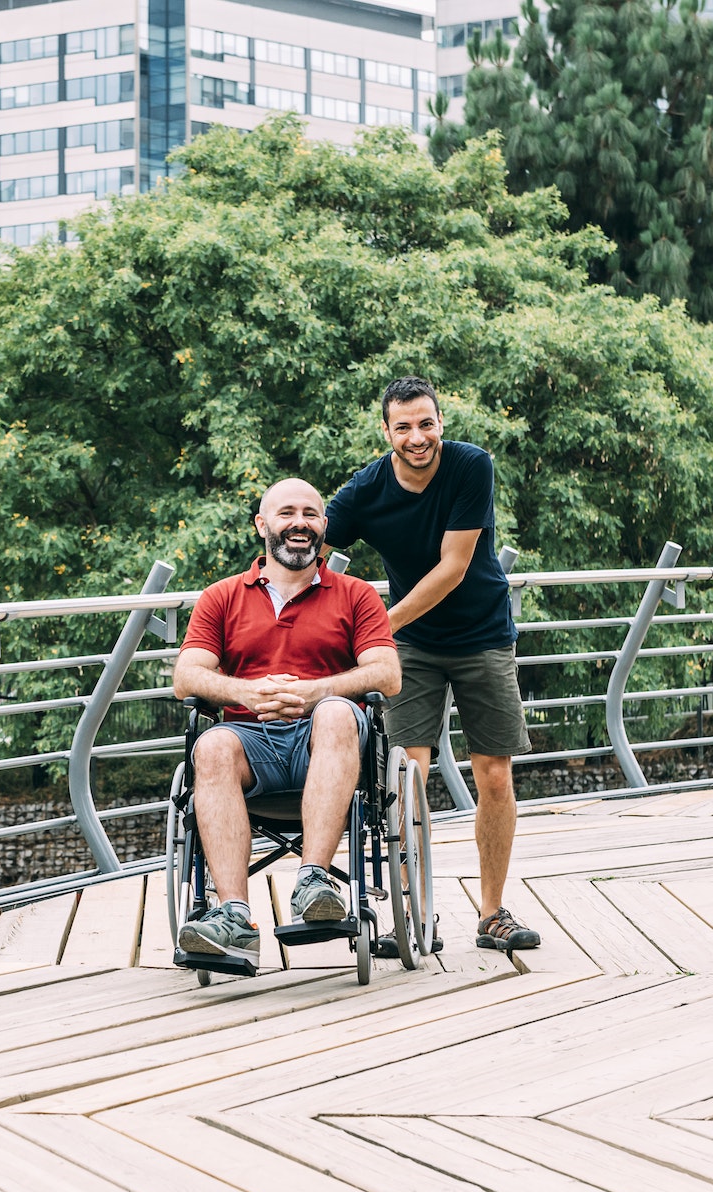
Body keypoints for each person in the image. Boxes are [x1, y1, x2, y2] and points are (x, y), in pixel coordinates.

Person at [325, 375, 542, 952]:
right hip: (412, 650)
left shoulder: (472, 466)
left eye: (427, 423)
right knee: (407, 778)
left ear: (440, 422)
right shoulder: (367, 488)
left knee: (494, 774)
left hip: (482, 635)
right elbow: (310, 547)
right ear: (387, 431)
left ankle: (492, 914)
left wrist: (376, 628)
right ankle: (410, 916)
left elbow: (452, 567)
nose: (418, 437)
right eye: (404, 427)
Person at [172, 478, 401, 966]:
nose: (300, 523)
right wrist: (246, 692)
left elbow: (387, 672)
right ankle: (234, 916)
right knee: (210, 746)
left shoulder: (356, 595)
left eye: (311, 514)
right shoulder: (222, 597)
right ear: (262, 525)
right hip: (250, 743)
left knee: (339, 711)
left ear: (323, 527)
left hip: (327, 741)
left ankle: (314, 881)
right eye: (286, 513)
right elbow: (185, 676)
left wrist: (316, 692)